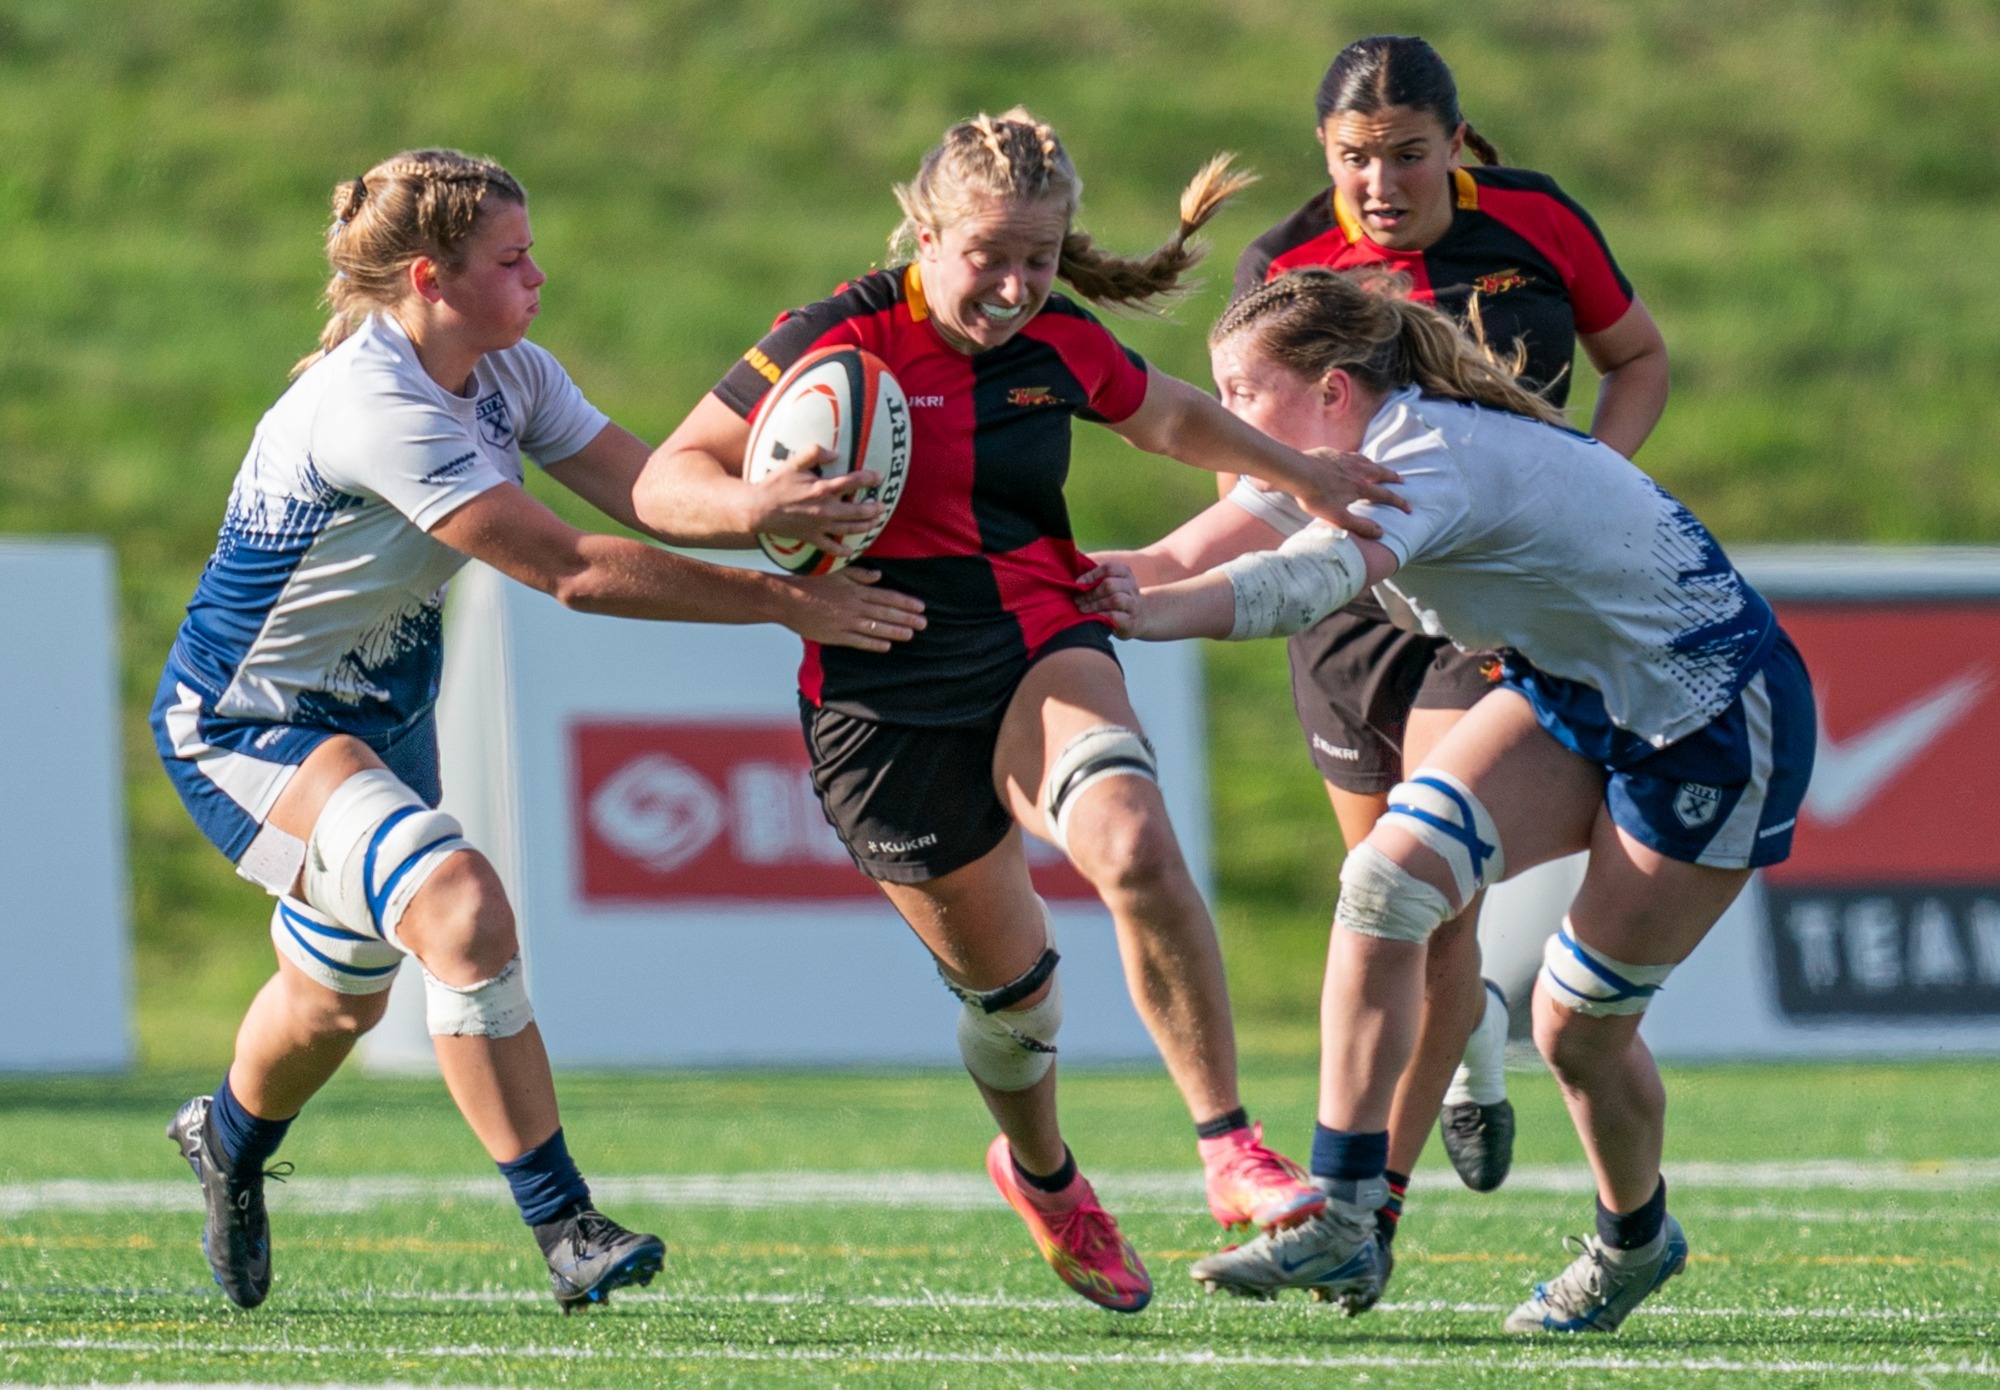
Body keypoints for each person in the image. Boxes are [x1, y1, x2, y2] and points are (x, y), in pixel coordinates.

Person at [638, 110, 1409, 1313]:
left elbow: (1162, 414)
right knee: (1015, 1007)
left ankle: (1228, 1148)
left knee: (1136, 845)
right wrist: (760, 512)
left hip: (1033, 638)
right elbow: (661, 479)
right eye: (986, 257)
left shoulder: (1057, 335)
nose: (1011, 287)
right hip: (879, 693)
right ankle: (1045, 1176)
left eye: (1037, 261)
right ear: (925, 232)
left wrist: (1300, 468)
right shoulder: (836, 338)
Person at [152, 149, 925, 1312]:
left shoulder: (507, 368)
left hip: (380, 719)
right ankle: (565, 1225)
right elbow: (568, 567)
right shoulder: (371, 406)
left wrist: (766, 508)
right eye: (511, 261)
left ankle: (226, 1136)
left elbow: (644, 488)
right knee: (462, 910)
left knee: (333, 1001)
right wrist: (779, 596)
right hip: (248, 722)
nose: (539, 277)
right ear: (429, 277)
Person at [1085, 268, 1811, 1330]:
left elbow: (1301, 586)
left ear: (1332, 390)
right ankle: (1341, 1213)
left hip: (1707, 718)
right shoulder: (1315, 458)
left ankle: (1633, 1241)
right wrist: (1039, 586)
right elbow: (1166, 557)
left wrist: (1148, 622)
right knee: (1383, 882)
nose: (1226, 421)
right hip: (1571, 693)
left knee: (1574, 1030)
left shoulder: (1424, 457)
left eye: (1240, 393)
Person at [1223, 33, 1673, 1217]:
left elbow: (1634, 359)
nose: (1379, 187)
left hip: (1478, 615)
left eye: (1407, 157)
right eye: (1352, 160)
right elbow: (1253, 447)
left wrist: (1589, 484)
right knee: (1390, 906)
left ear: (1453, 146)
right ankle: (1468, 1033)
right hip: (1345, 611)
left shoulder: (1533, 219)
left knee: (1414, 900)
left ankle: (1372, 1207)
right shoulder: (1286, 262)